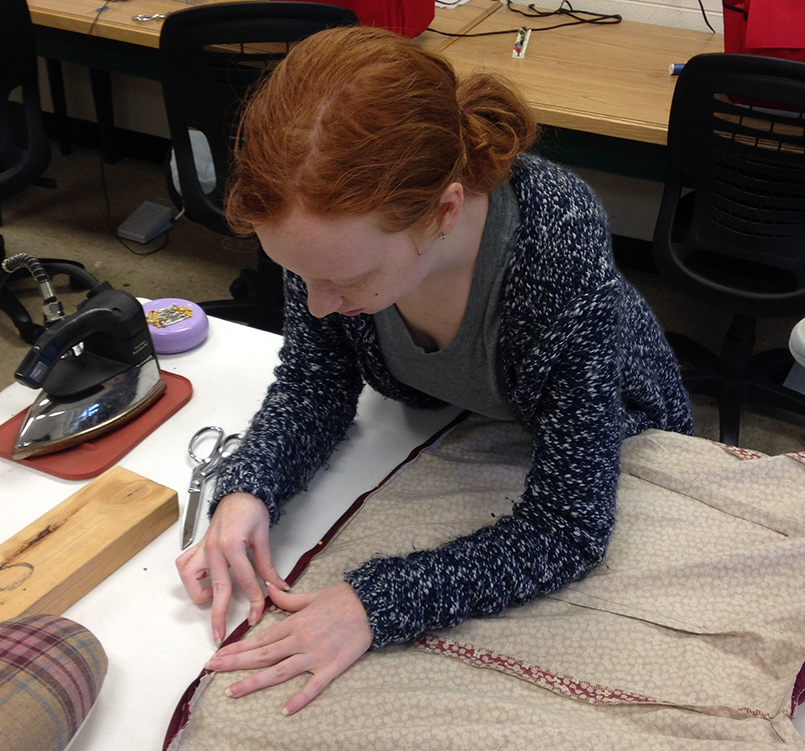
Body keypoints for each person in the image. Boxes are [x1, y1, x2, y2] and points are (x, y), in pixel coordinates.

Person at [176, 25, 694, 717]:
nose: (320, 304)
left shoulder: (554, 245)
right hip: (457, 429)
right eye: (298, 274)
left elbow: (570, 526)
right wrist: (250, 488)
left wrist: (374, 602)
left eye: (346, 279)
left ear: (445, 210)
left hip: (629, 438)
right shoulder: (329, 238)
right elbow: (314, 381)